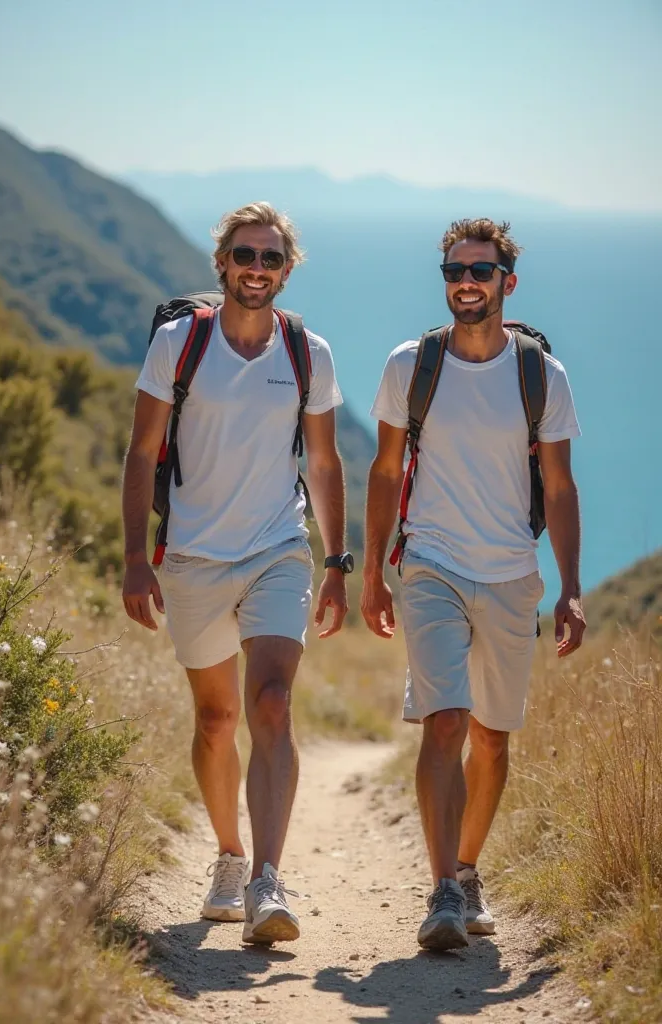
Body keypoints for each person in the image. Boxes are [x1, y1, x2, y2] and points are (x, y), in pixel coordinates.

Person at [121, 202, 352, 944]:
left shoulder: (305, 352)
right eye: (246, 256)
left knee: (274, 705)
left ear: (288, 269)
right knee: (217, 720)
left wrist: (340, 562)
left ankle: (266, 881)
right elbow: (141, 452)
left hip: (277, 549)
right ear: (222, 263)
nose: (258, 269)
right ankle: (227, 855)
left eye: (272, 258)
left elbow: (322, 460)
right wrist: (134, 557)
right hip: (190, 556)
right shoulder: (178, 343)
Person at [361, 218, 585, 951]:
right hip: (430, 566)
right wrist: (371, 572)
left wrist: (570, 586)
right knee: (446, 721)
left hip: (513, 573)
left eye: (481, 272)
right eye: (455, 270)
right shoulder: (411, 364)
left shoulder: (539, 374)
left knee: (491, 736)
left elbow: (558, 484)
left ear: (506, 284)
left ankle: (468, 868)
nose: (466, 282)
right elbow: (386, 471)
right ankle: (443, 894)